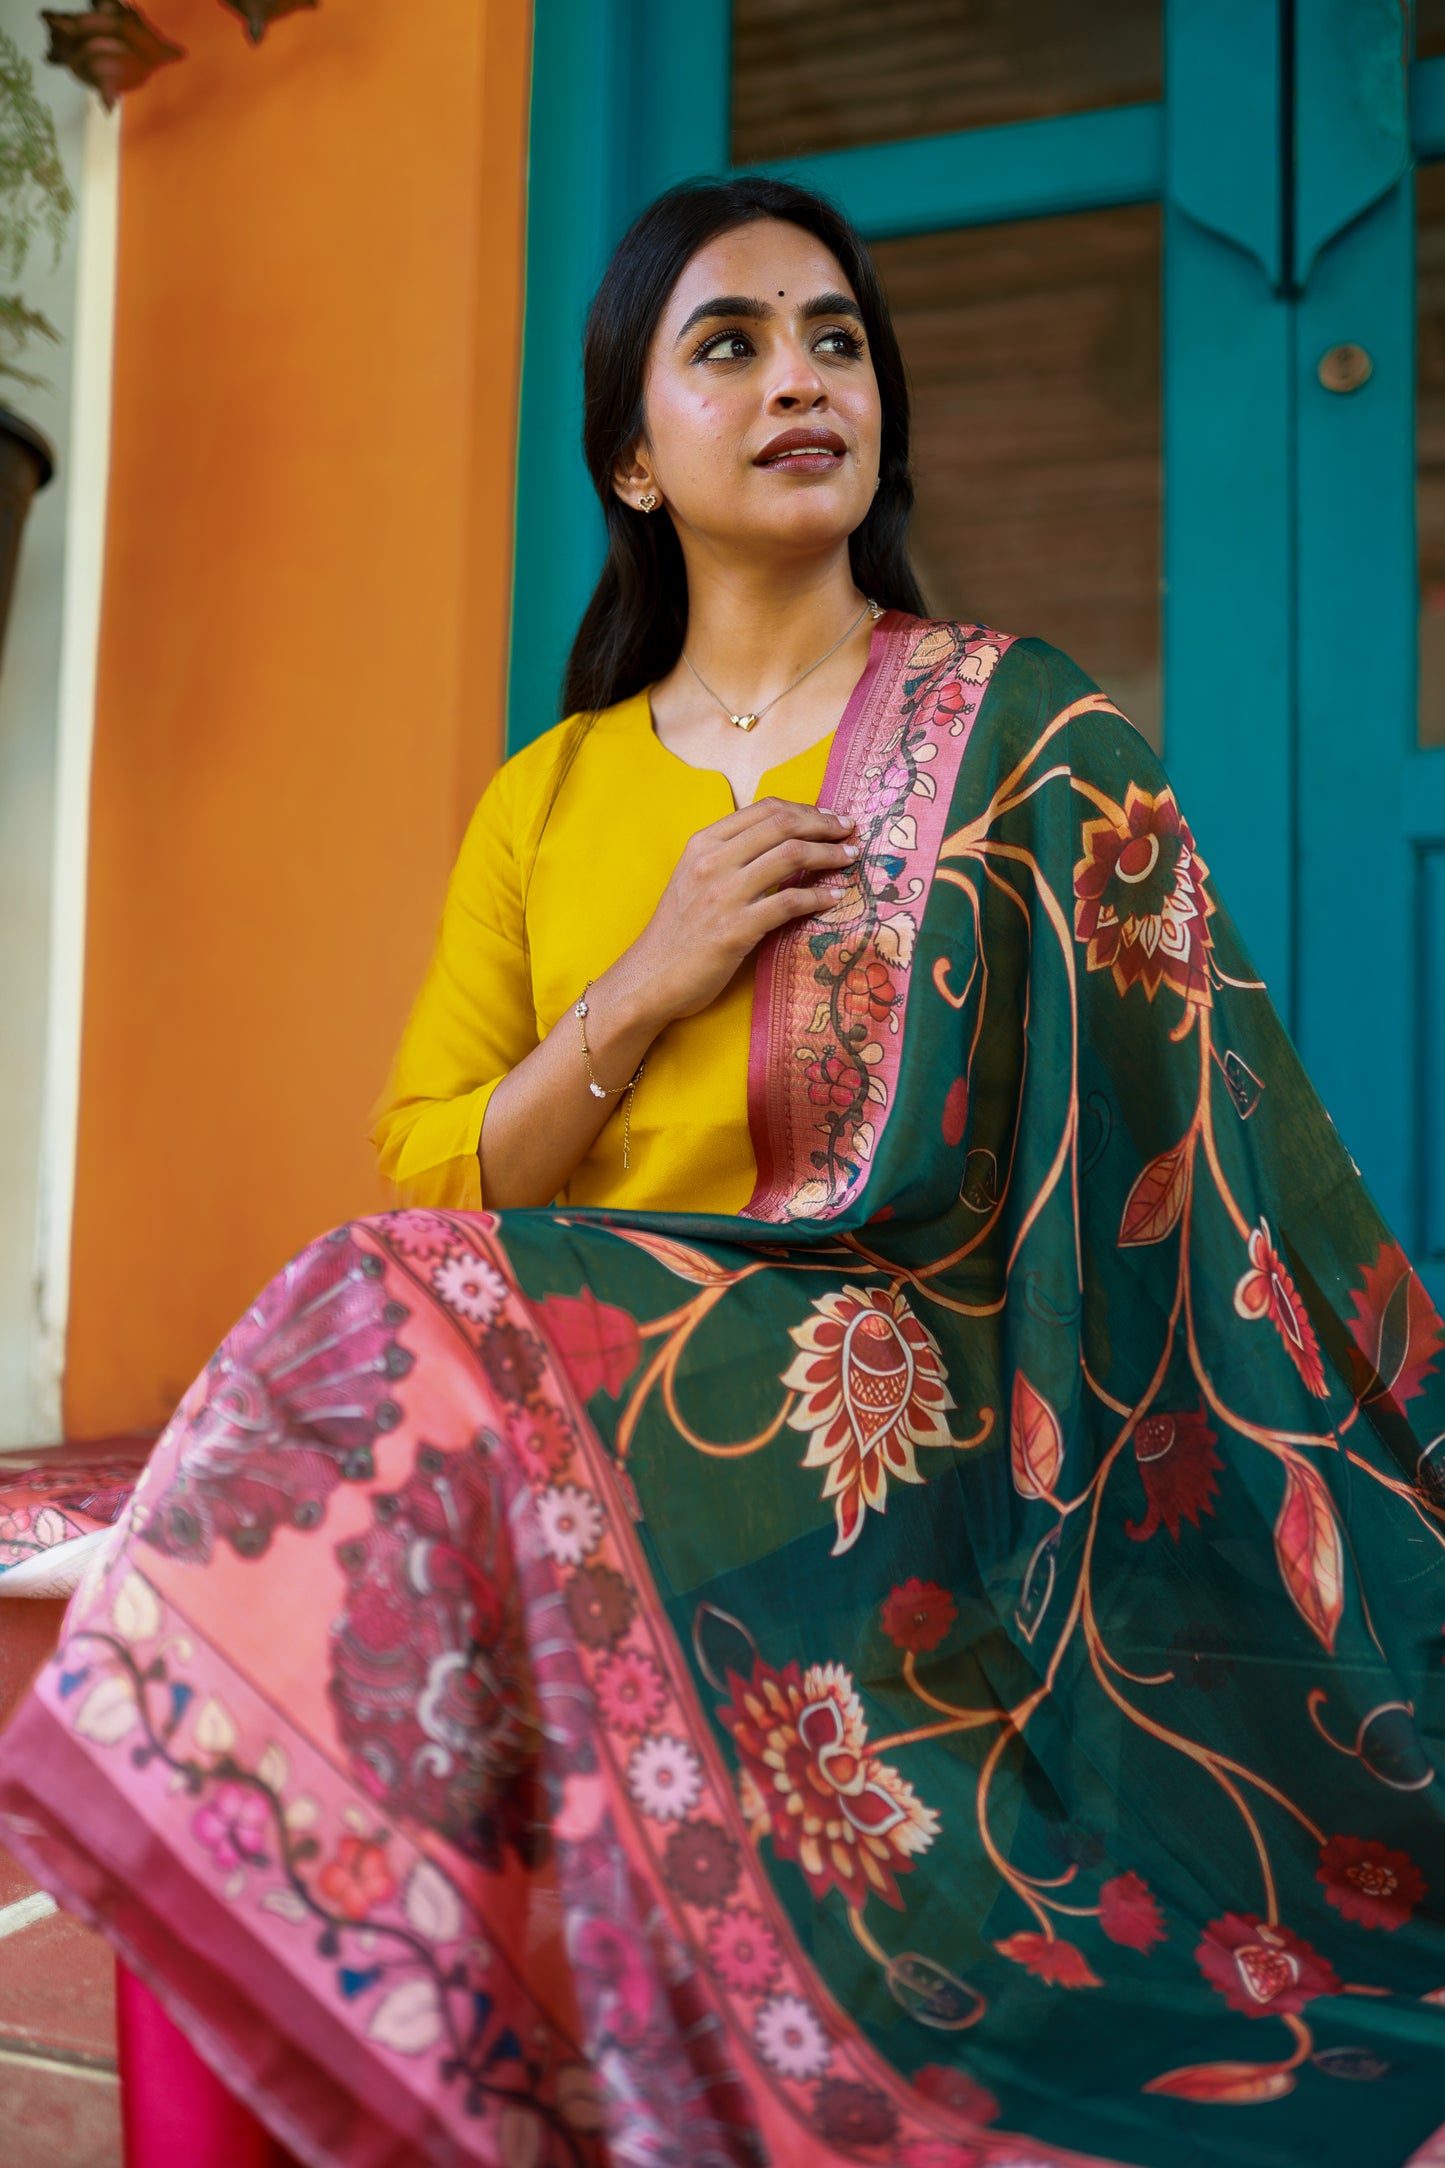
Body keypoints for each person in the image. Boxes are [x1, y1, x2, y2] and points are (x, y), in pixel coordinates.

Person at [2, 174, 1445, 2168]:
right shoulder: (555, 792)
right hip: (605, 1382)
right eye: (733, 343)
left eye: (836, 339)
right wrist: (650, 980)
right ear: (632, 455)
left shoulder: (1022, 736)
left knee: (342, 1427)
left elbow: (1191, 1137)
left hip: (910, 1427)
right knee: (314, 1488)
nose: (801, 380)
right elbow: (435, 1170)